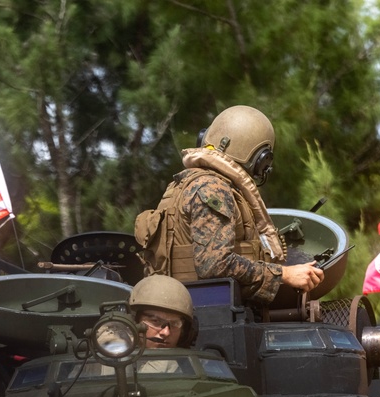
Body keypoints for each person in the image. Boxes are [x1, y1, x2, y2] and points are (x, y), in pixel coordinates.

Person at [134, 105, 324, 309]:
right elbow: (215, 265)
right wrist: (283, 274)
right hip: (209, 313)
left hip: (180, 307)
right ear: (260, 159)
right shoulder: (213, 188)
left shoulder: (183, 184)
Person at [127, 275, 194, 350]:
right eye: (155, 321)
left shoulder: (189, 361)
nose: (166, 333)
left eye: (175, 324)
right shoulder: (117, 358)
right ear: (134, 321)